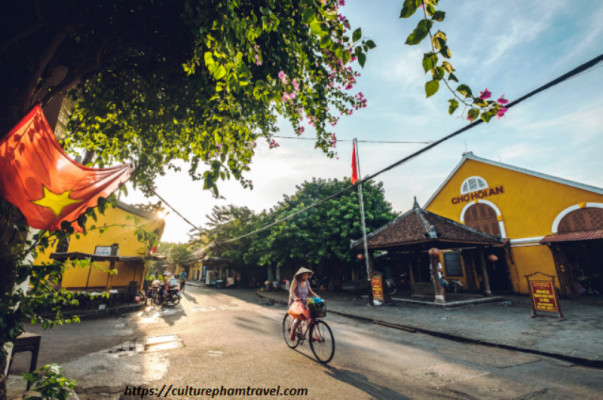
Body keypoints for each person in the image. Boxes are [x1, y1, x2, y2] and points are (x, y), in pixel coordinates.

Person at [289, 267, 320, 341]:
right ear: (300, 275)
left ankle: (310, 336)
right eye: (304, 275)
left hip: (304, 302)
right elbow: (291, 291)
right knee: (299, 318)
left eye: (307, 275)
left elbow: (311, 293)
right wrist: (295, 298)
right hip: (296, 303)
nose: (306, 277)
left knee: (312, 317)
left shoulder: (307, 282)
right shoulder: (295, 281)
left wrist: (317, 296)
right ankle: (293, 330)